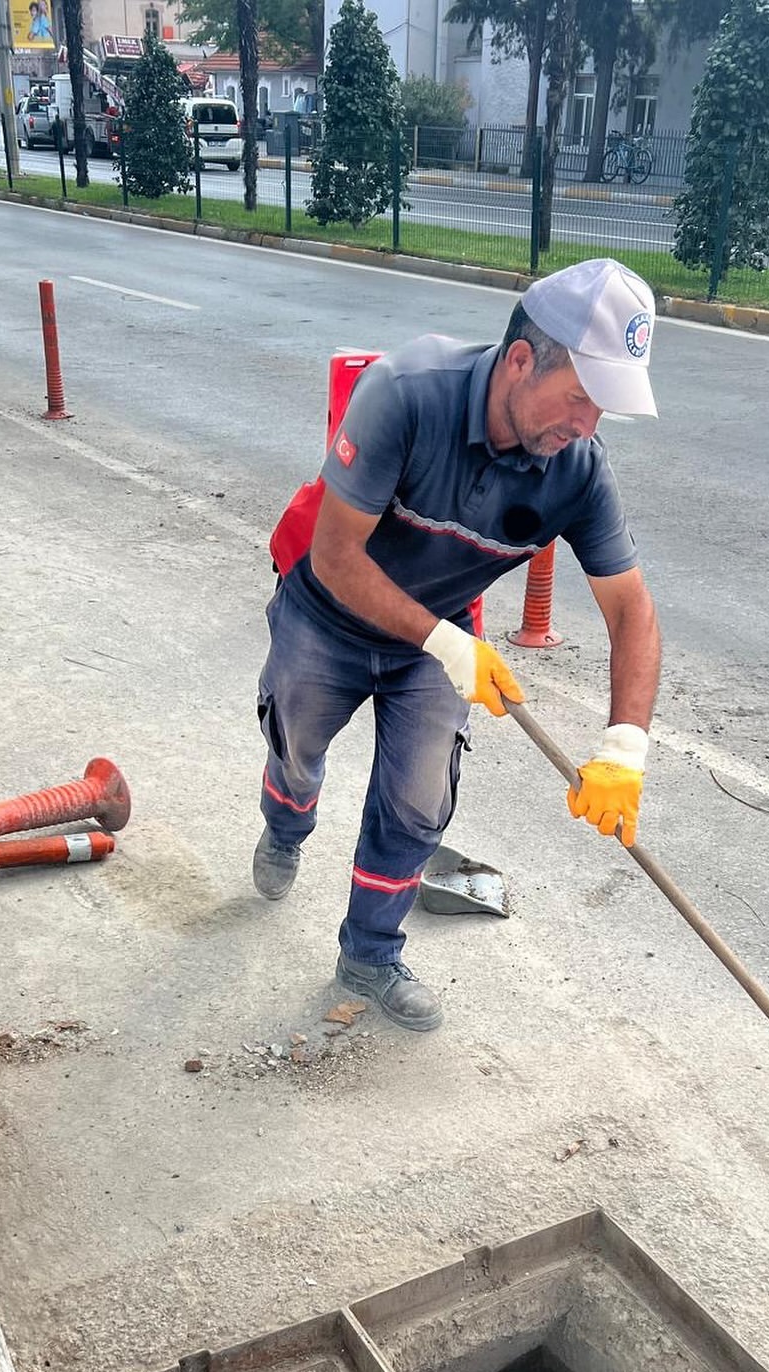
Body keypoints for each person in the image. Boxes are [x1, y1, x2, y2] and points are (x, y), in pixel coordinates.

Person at [253, 258, 662, 1033]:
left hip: (436, 642)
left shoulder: (576, 468)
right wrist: (447, 642)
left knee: (417, 800)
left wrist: (624, 748)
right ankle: (287, 821)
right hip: (325, 610)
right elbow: (340, 559)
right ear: (519, 361)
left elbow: (631, 610)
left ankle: (370, 953)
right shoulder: (407, 394)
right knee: (296, 748)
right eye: (580, 396)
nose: (586, 426)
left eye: (603, 410)